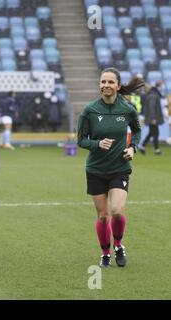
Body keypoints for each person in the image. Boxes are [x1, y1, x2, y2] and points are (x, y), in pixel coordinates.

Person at [77, 67, 144, 268]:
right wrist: (97, 144)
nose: (106, 85)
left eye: (110, 82)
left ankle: (119, 245)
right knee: (103, 215)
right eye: (103, 82)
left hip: (119, 168)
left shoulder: (127, 109)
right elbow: (80, 140)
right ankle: (105, 253)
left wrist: (133, 148)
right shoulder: (89, 110)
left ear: (118, 86)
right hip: (96, 169)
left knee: (116, 211)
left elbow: (137, 131)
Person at [138, 80, 164, 155]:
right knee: (156, 133)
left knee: (151, 132)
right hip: (152, 118)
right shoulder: (153, 95)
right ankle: (157, 150)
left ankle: (143, 146)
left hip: (150, 117)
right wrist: (153, 118)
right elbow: (152, 107)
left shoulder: (150, 95)